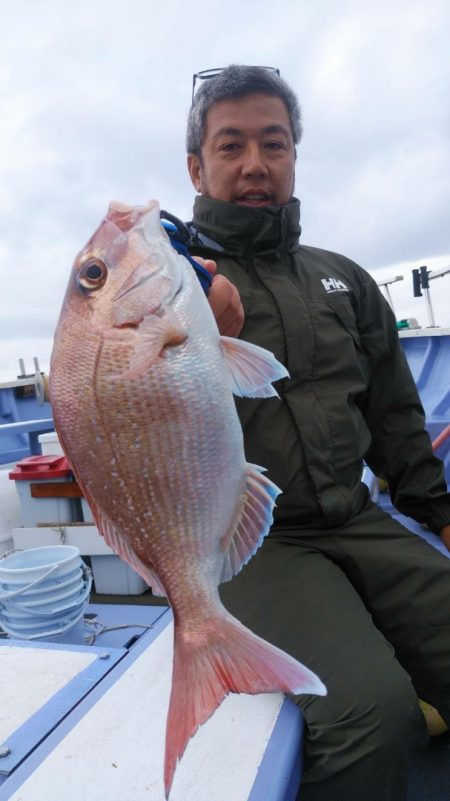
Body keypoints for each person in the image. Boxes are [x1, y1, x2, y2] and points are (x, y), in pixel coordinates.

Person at [182, 65, 450, 801]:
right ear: (196, 166)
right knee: (373, 716)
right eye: (230, 145)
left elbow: (395, 415)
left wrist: (441, 514)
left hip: (359, 517)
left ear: (295, 155)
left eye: (274, 143)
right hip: (253, 547)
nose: (255, 164)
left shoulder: (345, 278)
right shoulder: (172, 282)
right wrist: (190, 298)